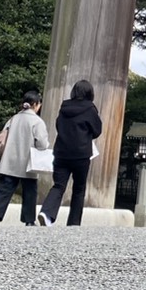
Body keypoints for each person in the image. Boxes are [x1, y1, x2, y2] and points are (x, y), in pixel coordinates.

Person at [38, 79, 102, 228]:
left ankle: (47, 213)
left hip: (61, 153)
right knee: (79, 188)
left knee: (59, 185)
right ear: (89, 93)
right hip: (81, 154)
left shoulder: (64, 107)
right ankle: (73, 223)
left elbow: (59, 125)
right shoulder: (90, 109)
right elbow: (97, 130)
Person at [0, 92, 49, 227]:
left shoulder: (13, 118)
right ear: (35, 104)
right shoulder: (37, 121)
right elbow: (42, 144)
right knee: (30, 191)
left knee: (4, 189)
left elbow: (3, 136)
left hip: (9, 161)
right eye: (39, 104)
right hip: (27, 162)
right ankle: (29, 220)